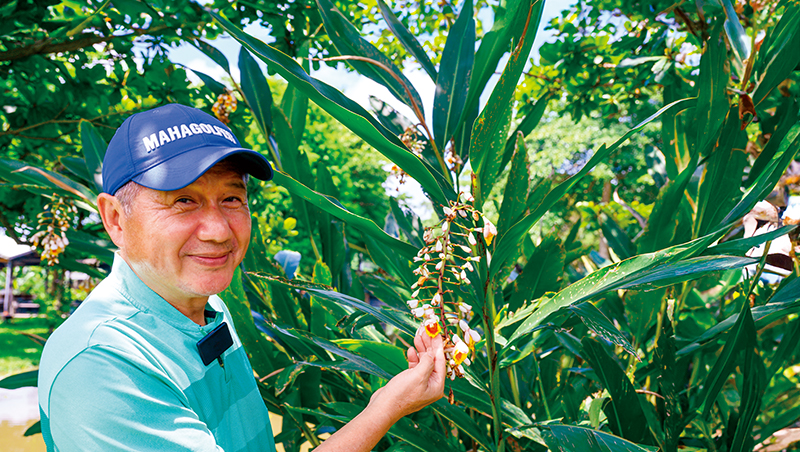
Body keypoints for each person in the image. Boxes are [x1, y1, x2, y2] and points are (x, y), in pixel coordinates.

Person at [37, 103, 445, 451]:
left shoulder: (206, 307)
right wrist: (385, 408)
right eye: (183, 201)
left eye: (232, 198)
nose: (218, 231)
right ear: (115, 219)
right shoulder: (102, 362)